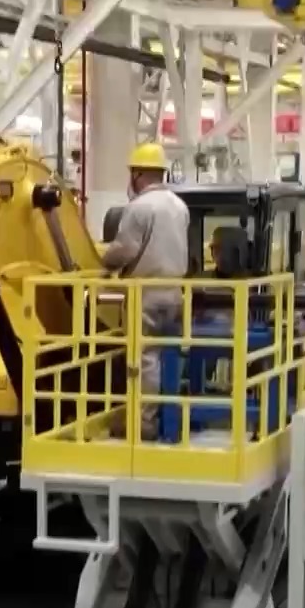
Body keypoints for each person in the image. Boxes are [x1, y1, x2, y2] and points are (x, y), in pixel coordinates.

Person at [102, 143, 191, 439]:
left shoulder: (139, 207)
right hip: (176, 291)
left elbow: (125, 249)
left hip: (147, 293)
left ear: (138, 174)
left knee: (146, 357)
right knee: (172, 354)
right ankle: (172, 418)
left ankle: (145, 424)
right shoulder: (179, 206)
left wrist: (103, 260)